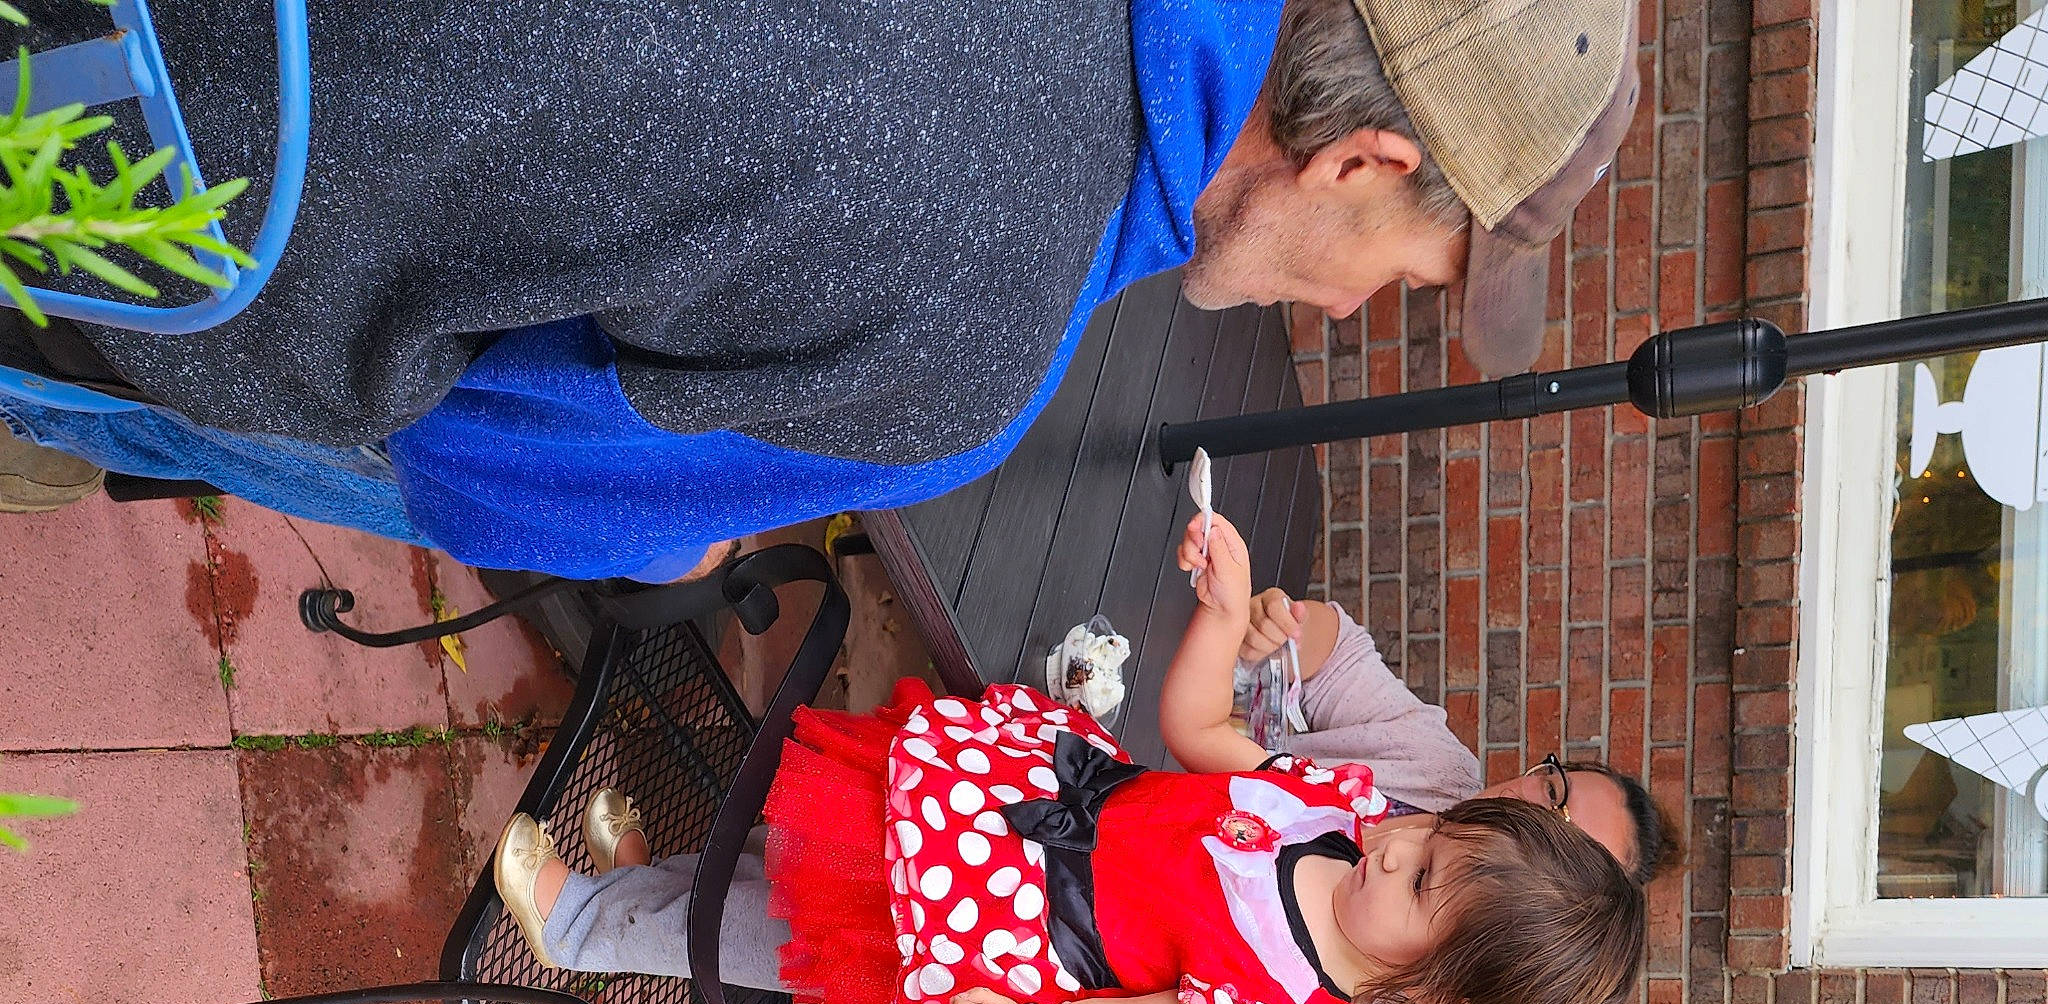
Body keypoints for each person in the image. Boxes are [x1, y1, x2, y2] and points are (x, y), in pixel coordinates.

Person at [0, 0, 1639, 564]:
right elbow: (486, 478)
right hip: (114, 184)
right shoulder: (965, 363)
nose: (1343, 317)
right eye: (1406, 274)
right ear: (1357, 165)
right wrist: (671, 523)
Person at [489, 511, 1646, 1004]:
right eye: (1430, 840)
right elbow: (1197, 730)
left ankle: (584, 923)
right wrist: (1224, 613)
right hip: (1019, 811)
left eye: (1418, 882)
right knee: (809, 850)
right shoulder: (1344, 811)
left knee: (787, 935)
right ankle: (655, 887)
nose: (1399, 839)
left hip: (1008, 947)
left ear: (1436, 995)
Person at [1050, 579, 1683, 1004]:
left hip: (1053, 988)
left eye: (1562, 838)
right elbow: (1305, 668)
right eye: (1553, 789)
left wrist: (1282, 980)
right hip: (1073, 814)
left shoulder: (1403, 997)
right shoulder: (1393, 790)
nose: (1389, 843)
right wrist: (1278, 624)